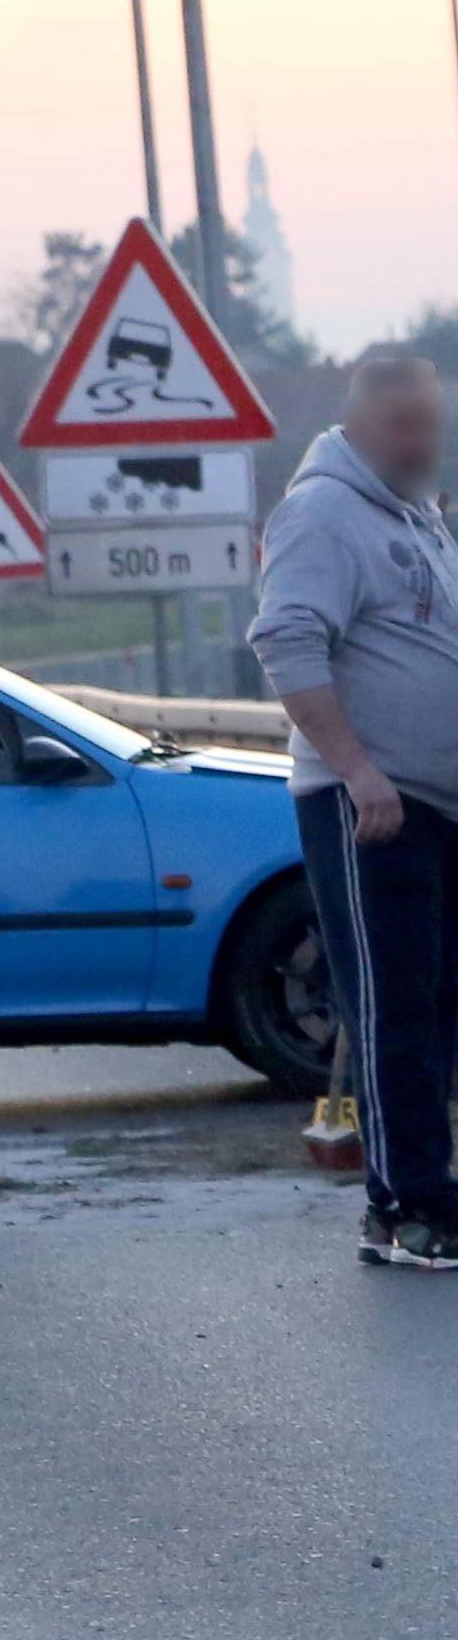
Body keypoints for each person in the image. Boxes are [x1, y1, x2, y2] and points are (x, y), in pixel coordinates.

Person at [250, 354, 458, 1267]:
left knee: (438, 1003)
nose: (421, 444)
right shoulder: (324, 512)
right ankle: (410, 1204)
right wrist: (359, 771)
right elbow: (287, 639)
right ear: (358, 425)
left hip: (434, 803)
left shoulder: (419, 516)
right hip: (369, 802)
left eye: (431, 426)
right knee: (393, 1007)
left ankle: (408, 1195)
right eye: (403, 428)